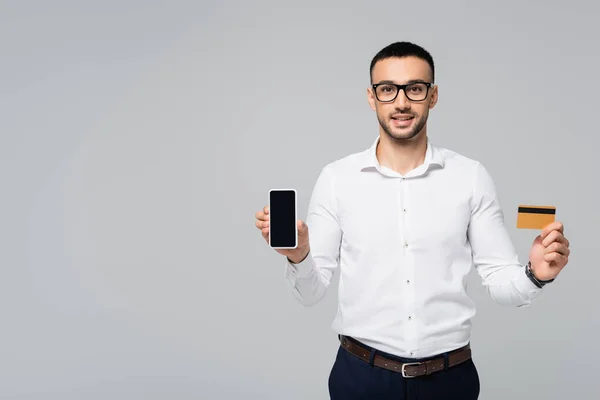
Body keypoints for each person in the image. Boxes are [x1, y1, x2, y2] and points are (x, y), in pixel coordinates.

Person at [254, 41, 570, 399]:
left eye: (414, 89)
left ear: (432, 96)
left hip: (450, 381)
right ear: (371, 98)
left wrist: (535, 275)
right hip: (360, 379)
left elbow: (500, 280)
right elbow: (311, 293)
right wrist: (299, 255)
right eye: (388, 90)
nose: (401, 102)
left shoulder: (470, 177)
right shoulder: (337, 179)